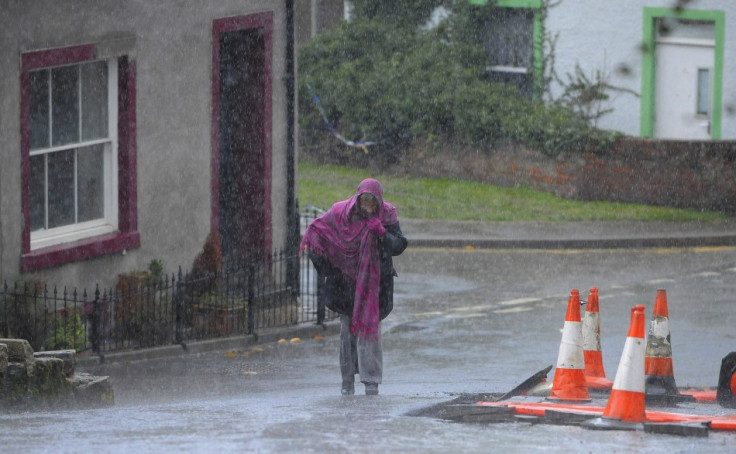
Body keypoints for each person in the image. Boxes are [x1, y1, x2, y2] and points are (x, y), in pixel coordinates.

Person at [301, 178, 408, 395]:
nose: (367, 208)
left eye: (372, 202)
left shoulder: (386, 216)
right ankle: (347, 382)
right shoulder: (341, 213)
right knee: (347, 334)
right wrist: (331, 269)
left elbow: (398, 245)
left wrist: (381, 232)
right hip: (346, 286)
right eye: (364, 202)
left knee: (371, 334)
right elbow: (316, 234)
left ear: (379, 201)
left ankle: (371, 381)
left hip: (375, 287)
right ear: (357, 200)